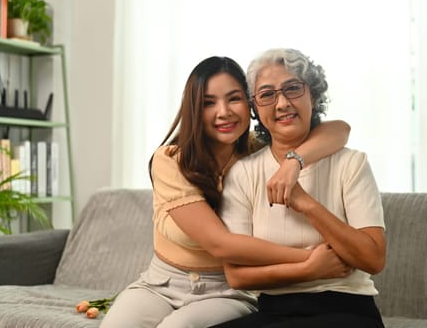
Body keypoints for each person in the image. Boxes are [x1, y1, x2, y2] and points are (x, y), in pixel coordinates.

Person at [100, 56, 351, 328]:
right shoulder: (172, 160)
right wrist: (310, 261)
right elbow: (220, 243)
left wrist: (293, 161)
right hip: (160, 284)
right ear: (194, 109)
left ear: (251, 105)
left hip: (229, 291)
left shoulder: (258, 153)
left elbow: (340, 129)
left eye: (234, 99)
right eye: (209, 103)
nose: (223, 112)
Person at [210, 48, 386, 328]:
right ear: (255, 108)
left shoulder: (351, 163)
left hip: (347, 309)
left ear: (312, 96)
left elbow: (373, 258)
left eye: (292, 89)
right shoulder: (243, 172)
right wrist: (308, 268)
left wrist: (307, 204)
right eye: (267, 94)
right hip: (273, 312)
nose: (282, 104)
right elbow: (237, 276)